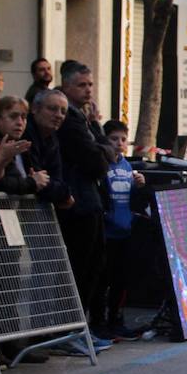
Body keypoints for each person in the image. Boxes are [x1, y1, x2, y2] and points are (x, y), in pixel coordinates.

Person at [55, 63, 114, 345]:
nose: (88, 90)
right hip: (77, 204)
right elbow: (95, 161)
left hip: (90, 201)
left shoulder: (85, 118)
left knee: (94, 268)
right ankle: (70, 330)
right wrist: (102, 149)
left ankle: (81, 326)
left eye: (90, 84)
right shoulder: (69, 119)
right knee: (79, 269)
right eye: (81, 85)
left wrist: (98, 137)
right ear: (66, 86)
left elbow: (107, 152)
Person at [96, 120, 147, 341]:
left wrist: (140, 185)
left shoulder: (127, 167)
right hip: (108, 233)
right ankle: (100, 322)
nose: (119, 144)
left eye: (123, 140)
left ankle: (117, 320)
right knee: (103, 280)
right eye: (114, 139)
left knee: (121, 280)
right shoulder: (102, 166)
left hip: (125, 231)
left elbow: (132, 200)